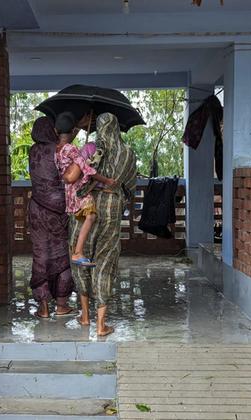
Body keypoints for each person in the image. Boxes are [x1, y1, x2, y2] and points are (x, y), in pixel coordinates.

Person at [69, 113, 137, 337]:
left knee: (81, 256)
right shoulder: (128, 154)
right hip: (113, 206)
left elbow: (81, 177)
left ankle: (85, 315)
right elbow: (130, 187)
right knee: (105, 259)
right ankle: (101, 324)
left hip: (87, 206)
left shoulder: (92, 149)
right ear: (116, 128)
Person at [27, 117, 76, 319]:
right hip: (58, 210)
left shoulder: (32, 151)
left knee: (41, 256)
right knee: (61, 254)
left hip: (37, 209)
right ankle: (62, 305)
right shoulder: (59, 149)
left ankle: (44, 307)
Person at [54, 112, 115, 267]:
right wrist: (107, 180)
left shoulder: (57, 149)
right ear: (73, 129)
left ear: (56, 130)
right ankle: (78, 253)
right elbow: (87, 169)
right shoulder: (72, 149)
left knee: (86, 218)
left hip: (69, 191)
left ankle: (77, 252)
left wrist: (80, 125)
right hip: (79, 189)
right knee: (91, 216)